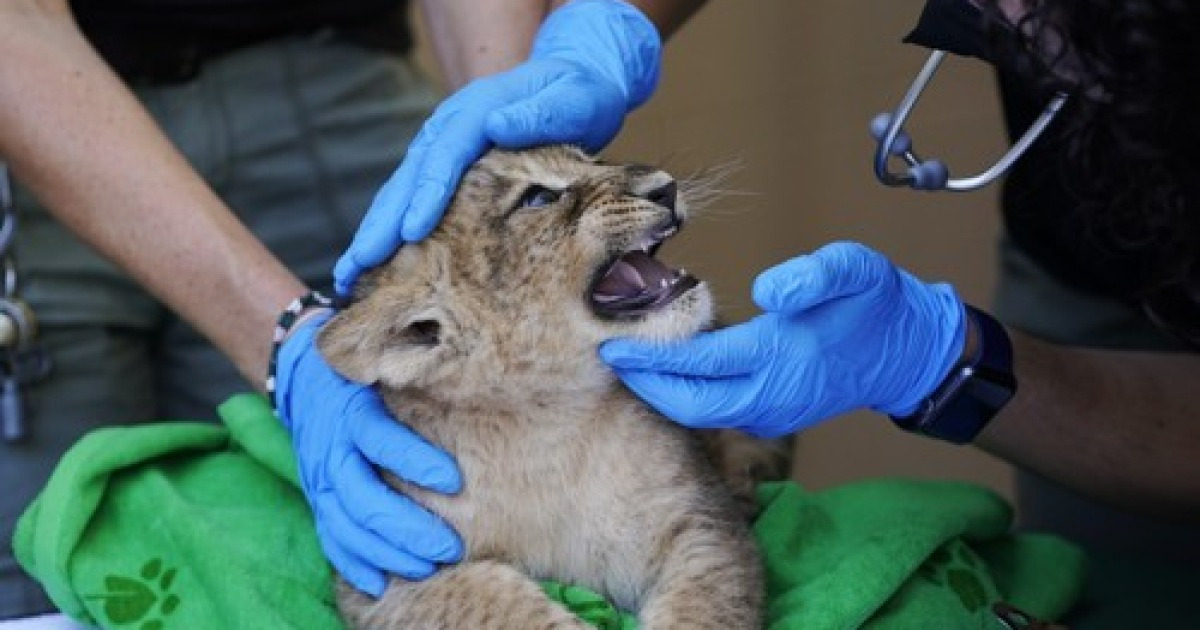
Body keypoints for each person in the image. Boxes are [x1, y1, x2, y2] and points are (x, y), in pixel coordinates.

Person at [333, 0, 1200, 627]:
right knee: (1118, 575)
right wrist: (606, 27)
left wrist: (944, 362)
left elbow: (704, 555)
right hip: (1085, 252)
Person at [0, 0, 703, 619]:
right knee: (51, 564)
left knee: (392, 511)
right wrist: (287, 340)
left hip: (330, 73)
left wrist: (515, 144)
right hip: (40, 112)